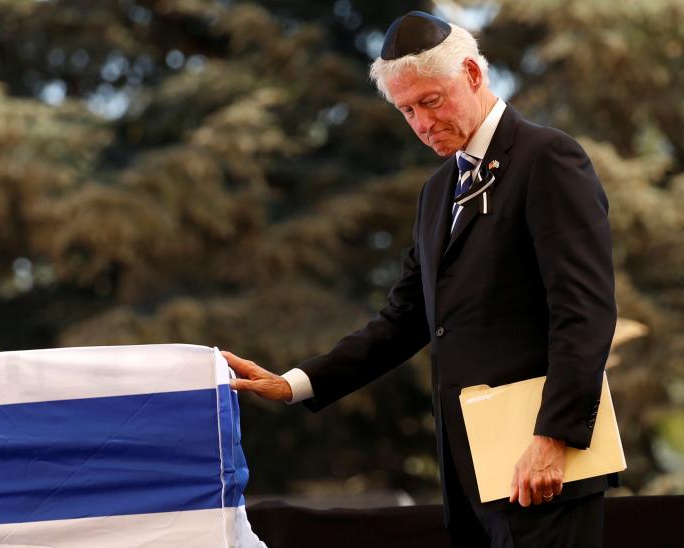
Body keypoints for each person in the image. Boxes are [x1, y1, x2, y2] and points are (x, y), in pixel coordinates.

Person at [223, 10, 617, 548]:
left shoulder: (548, 158)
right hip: (470, 475)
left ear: (474, 75)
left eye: (431, 101)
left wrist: (554, 437)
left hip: (542, 467)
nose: (422, 124)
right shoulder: (437, 192)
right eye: (407, 111)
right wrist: (294, 383)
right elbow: (403, 320)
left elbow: (585, 311)